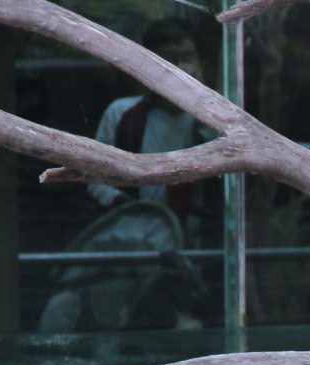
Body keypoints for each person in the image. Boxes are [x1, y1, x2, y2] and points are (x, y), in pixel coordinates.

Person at [88, 19, 216, 239]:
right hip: (134, 242)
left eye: (187, 58)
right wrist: (125, 205)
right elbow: (93, 177)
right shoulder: (122, 115)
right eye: (170, 61)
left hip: (198, 243)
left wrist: (201, 100)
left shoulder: (213, 119)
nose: (179, 69)